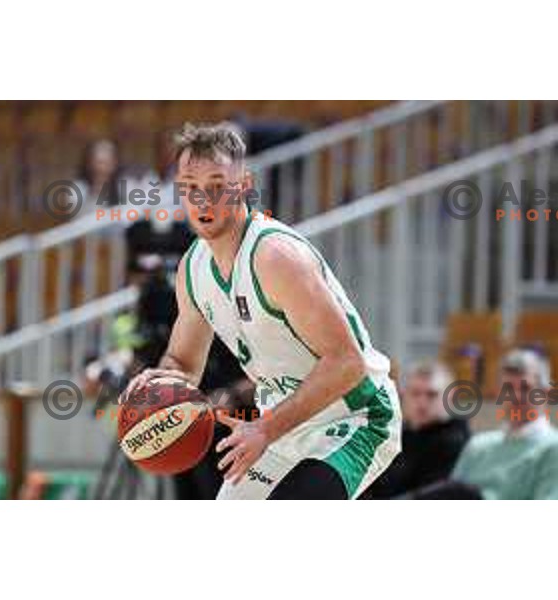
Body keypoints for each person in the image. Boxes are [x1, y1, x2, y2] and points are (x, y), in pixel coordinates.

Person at [122, 122, 402, 500]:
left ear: (244, 184)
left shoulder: (275, 257)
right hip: (280, 426)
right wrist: (158, 384)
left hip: (354, 417)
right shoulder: (192, 268)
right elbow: (183, 363)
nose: (202, 199)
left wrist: (266, 429)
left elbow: (346, 362)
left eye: (216, 185)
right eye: (190, 187)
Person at [449, 349, 558, 500]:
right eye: (508, 388)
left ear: (545, 393)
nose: (516, 396)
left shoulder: (553, 448)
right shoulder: (477, 446)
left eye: (525, 388)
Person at [363, 361, 470, 499]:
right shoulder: (393, 436)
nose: (422, 403)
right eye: (415, 393)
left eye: (432, 395)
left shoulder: (457, 441)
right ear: (403, 395)